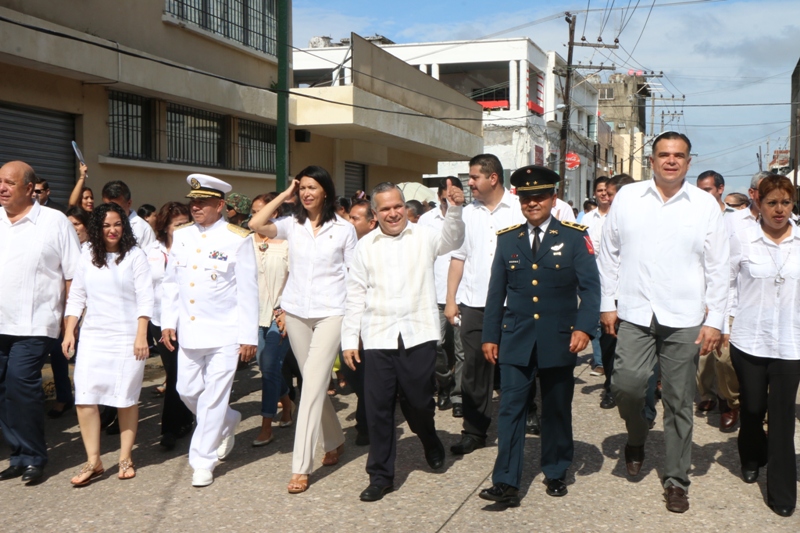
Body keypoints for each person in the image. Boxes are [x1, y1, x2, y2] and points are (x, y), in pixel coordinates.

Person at [598, 131, 728, 513]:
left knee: (679, 400)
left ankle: (676, 479)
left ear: (688, 161)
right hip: (635, 311)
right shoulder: (628, 198)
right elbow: (609, 253)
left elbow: (719, 266)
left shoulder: (704, 205)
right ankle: (637, 434)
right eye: (664, 154)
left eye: (679, 155)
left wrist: (716, 320)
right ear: (651, 160)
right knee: (626, 385)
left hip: (685, 316)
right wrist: (607, 304)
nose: (671, 160)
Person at [478, 165, 600, 506]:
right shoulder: (508, 239)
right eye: (526, 198)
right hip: (516, 337)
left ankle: (556, 469)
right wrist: (490, 335)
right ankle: (506, 481)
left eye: (540, 196)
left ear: (553, 198)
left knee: (556, 407)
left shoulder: (574, 237)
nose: (533, 203)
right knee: (511, 409)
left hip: (559, 338)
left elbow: (591, 289)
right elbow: (495, 292)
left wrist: (584, 328)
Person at [342, 180, 465, 502]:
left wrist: (454, 209)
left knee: (419, 402)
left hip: (418, 333)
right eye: (385, 209)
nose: (393, 213)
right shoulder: (365, 247)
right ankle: (381, 475)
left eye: (397, 206)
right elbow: (354, 295)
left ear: (405, 206)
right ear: (375, 213)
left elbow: (454, 239)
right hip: (378, 335)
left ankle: (429, 438)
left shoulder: (424, 235)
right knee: (379, 407)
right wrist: (349, 340)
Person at [248, 165, 357, 494]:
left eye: (312, 187)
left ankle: (301, 466)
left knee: (311, 385)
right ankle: (335, 439)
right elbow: (255, 224)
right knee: (313, 382)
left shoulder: (344, 229)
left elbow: (354, 277)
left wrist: (354, 323)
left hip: (331, 313)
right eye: (303, 188)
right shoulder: (290, 224)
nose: (307, 193)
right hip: (295, 312)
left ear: (325, 191)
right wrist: (285, 194)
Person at [161, 173, 258, 488]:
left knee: (214, 398)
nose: (195, 207)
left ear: (220, 205)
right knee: (187, 391)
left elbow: (248, 291)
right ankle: (228, 420)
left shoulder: (237, 238)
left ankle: (203, 461)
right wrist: (167, 322)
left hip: (224, 332)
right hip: (190, 330)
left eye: (203, 202)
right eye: (193, 202)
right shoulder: (182, 235)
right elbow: (171, 283)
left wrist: (248, 337)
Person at [0, 161, 81, 484]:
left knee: (21, 385)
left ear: (29, 188)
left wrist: (71, 322)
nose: (2, 188)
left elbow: (73, 274)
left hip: (35, 324)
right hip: (0, 323)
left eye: (9, 182)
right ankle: (18, 454)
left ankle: (34, 456)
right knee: (4, 390)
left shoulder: (53, 221)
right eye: (0, 181)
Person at [62, 202, 154, 484]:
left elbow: (145, 297)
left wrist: (141, 335)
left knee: (125, 398)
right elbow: (77, 296)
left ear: (124, 226)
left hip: (127, 337)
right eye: (105, 225)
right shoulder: (88, 253)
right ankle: (94, 461)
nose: (112, 230)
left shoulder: (135, 255)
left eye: (117, 224)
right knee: (85, 398)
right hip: (94, 335)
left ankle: (125, 457)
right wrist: (69, 331)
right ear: (97, 228)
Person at [728, 174, 800, 518]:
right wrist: (725, 323)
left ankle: (782, 491)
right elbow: (726, 282)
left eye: (786, 202)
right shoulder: (742, 239)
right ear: (758, 202)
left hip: (791, 343)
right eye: (772, 203)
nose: (779, 210)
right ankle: (752, 454)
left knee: (783, 417)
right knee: (754, 407)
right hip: (750, 340)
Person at [446, 154, 526, 456]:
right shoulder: (468, 214)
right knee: (474, 369)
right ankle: (474, 430)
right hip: (476, 304)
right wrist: (451, 300)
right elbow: (458, 258)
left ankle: (525, 416)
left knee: (520, 365)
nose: (470, 183)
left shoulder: (519, 209)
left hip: (515, 303)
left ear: (493, 178)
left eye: (474, 177)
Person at [146, 201, 195, 451]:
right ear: (165, 226)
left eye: (186, 223)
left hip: (186, 321)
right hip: (159, 320)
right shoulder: (151, 251)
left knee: (178, 373)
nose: (183, 228)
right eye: (178, 224)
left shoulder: (193, 248)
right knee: (173, 373)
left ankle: (169, 429)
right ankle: (184, 419)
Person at [694, 170, 740, 431]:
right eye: (699, 190)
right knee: (702, 355)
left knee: (723, 356)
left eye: (707, 190)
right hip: (698, 293)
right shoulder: (693, 216)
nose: (703, 195)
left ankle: (729, 400)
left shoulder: (735, 219)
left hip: (728, 293)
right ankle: (707, 394)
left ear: (720, 189)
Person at [249, 193, 294, 447]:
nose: (256, 216)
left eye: (261, 211)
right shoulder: (245, 242)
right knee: (266, 365)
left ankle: (266, 425)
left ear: (274, 213)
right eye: (254, 212)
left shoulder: (287, 242)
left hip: (280, 314)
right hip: (253, 316)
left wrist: (286, 309)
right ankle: (287, 404)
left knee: (269, 367)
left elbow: (296, 278)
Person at [418, 178, 466, 415]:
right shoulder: (426, 220)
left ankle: (458, 396)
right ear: (439, 197)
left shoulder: (470, 217)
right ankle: (445, 383)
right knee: (434, 345)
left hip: (463, 294)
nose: (450, 201)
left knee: (461, 350)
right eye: (446, 197)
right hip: (434, 293)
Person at [47, 206, 92, 420]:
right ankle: (64, 397)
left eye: (77, 224)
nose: (72, 228)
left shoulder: (93, 249)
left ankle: (91, 400)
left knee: (87, 358)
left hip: (90, 310)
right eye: (69, 224)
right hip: (66, 308)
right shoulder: (59, 245)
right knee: (59, 353)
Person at [340, 197, 377, 446]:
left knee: (365, 373)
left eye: (355, 218)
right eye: (349, 217)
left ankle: (366, 424)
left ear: (371, 223)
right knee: (350, 371)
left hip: (370, 319)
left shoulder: (377, 248)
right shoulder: (345, 243)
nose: (349, 222)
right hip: (345, 315)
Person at [582, 177, 610, 376]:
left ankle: (611, 360)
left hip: (614, 276)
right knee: (595, 320)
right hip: (592, 275)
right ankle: (599, 361)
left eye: (607, 190)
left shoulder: (618, 215)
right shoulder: (587, 218)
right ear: (594, 193)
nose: (603, 194)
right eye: (600, 190)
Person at [101, 180, 156, 248]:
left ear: (129, 203)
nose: (112, 211)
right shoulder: (98, 224)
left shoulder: (144, 229)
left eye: (117, 208)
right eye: (107, 206)